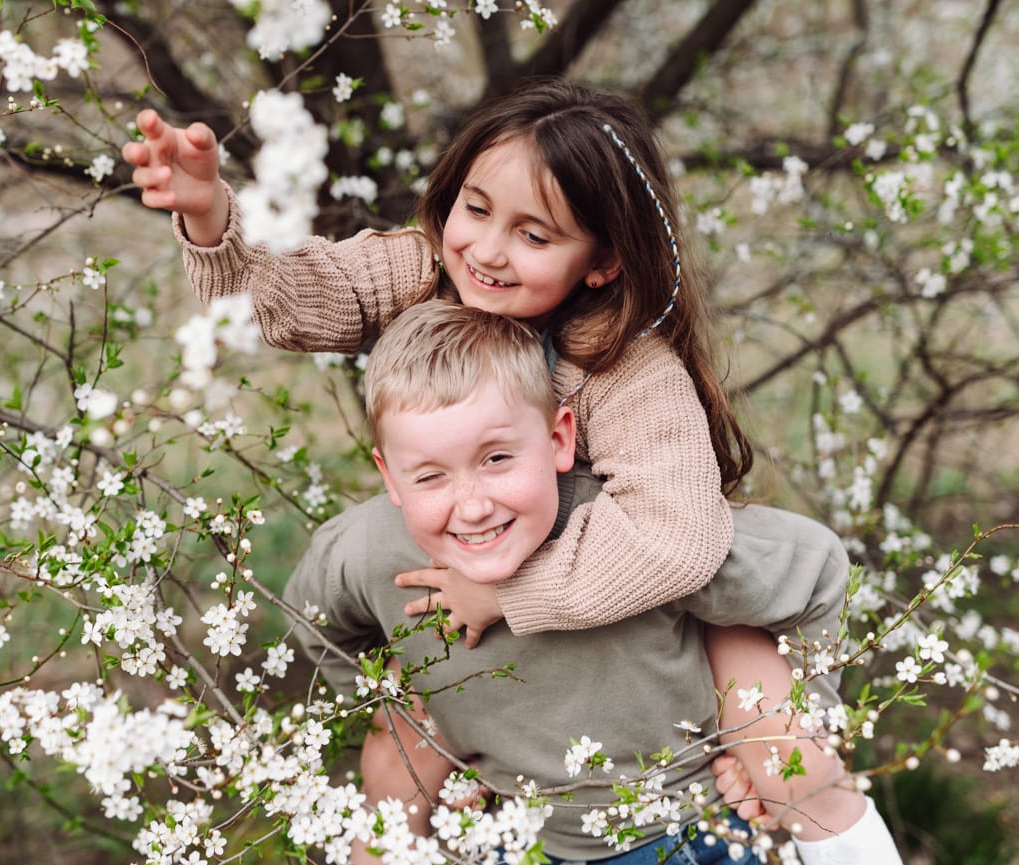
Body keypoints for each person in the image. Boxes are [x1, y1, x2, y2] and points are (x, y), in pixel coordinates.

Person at [121, 79, 899, 862]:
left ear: (601, 262)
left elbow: (676, 539)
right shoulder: (426, 267)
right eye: (478, 208)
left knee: (787, 759)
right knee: (405, 739)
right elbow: (298, 299)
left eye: (536, 235)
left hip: (667, 606)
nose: (488, 249)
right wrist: (212, 218)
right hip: (535, 651)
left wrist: (503, 592)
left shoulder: (626, 367)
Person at [342, 300, 899, 862]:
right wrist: (472, 753)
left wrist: (802, 736)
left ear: (559, 439)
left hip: (685, 832)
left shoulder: (657, 541)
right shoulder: (375, 548)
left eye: (497, 459)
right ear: (391, 475)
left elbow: (820, 570)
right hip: (524, 838)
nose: (473, 506)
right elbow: (310, 640)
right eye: (432, 475)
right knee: (400, 709)